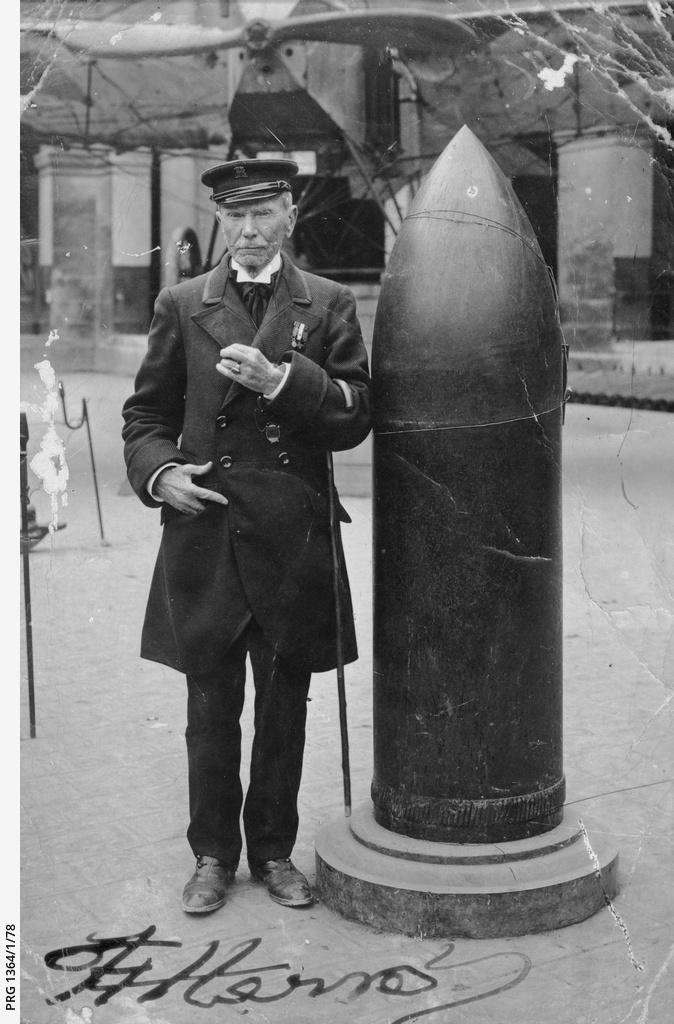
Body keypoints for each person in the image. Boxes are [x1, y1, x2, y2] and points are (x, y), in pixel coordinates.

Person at [121, 158, 371, 915]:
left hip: (292, 539)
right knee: (209, 709)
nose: (251, 230)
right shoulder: (181, 303)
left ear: (291, 216)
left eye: (265, 213)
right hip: (210, 531)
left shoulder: (326, 303)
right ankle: (211, 856)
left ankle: (272, 853)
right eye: (236, 215)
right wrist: (161, 474)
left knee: (284, 707)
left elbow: (357, 414)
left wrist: (280, 381)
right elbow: (145, 416)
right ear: (221, 221)